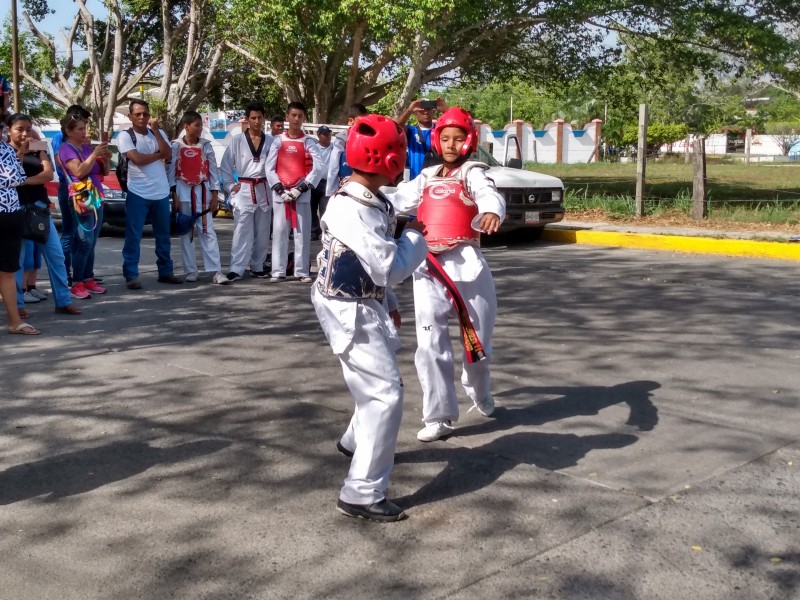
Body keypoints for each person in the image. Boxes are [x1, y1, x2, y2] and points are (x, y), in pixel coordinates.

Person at [311, 114, 428, 522]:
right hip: (347, 309)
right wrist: (416, 238)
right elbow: (388, 265)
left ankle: (352, 440)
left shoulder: (364, 195)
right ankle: (361, 492)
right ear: (392, 159)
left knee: (372, 382)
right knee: (385, 393)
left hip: (358, 301)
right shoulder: (352, 207)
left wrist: (387, 301)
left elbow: (369, 265)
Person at [388, 107, 505, 442]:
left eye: (457, 138)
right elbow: (397, 199)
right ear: (436, 140)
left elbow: (488, 194)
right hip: (428, 267)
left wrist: (491, 211)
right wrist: (361, 191)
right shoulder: (426, 176)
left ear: (468, 140)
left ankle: (477, 386)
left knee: (479, 343)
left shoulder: (473, 172)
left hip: (467, 266)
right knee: (429, 343)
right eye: (444, 138)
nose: (450, 144)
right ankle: (438, 415)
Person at [7, 114, 81, 316]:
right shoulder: (5, 151)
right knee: (18, 261)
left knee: (56, 256)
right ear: (9, 131)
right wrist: (22, 158)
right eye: (19, 129)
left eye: (28, 128)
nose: (25, 133)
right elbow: (12, 175)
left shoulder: (38, 149)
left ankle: (63, 301)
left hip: (39, 209)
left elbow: (48, 174)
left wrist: (24, 181)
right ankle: (18, 305)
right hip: (16, 210)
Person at [118, 99, 182, 289]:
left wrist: (156, 132)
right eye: (137, 114)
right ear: (130, 117)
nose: (142, 117)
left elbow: (168, 153)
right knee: (133, 236)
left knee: (163, 235)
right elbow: (136, 159)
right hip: (138, 192)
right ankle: (131, 275)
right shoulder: (125, 136)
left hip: (161, 193)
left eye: (145, 113)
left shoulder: (158, 132)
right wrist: (158, 155)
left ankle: (165, 271)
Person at [168, 111, 230, 285]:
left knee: (207, 231)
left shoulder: (206, 146)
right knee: (186, 231)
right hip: (183, 192)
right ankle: (190, 270)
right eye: (197, 125)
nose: (200, 128)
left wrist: (214, 194)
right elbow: (171, 171)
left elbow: (212, 171)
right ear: (186, 126)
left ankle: (216, 270)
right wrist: (174, 195)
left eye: (201, 125)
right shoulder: (176, 146)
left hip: (202, 192)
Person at [265, 101, 323, 283]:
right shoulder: (278, 141)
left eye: (300, 116)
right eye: (293, 115)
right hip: (281, 194)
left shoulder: (309, 142)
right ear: (287, 117)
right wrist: (280, 189)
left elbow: (318, 167)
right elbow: (269, 167)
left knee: (302, 233)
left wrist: (301, 188)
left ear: (304, 118)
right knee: (280, 232)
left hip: (302, 194)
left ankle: (301, 270)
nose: (296, 119)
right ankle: (278, 270)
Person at [59, 114, 110, 299]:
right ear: (69, 131)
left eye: (84, 128)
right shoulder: (66, 149)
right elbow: (79, 171)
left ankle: (88, 278)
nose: (84, 132)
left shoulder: (86, 147)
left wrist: (103, 159)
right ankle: (77, 281)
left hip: (96, 197)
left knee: (92, 241)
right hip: (82, 199)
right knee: (84, 242)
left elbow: (103, 172)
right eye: (80, 129)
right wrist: (94, 155)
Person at [220, 102, 272, 281]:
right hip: (244, 188)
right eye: (253, 118)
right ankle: (237, 268)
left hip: (264, 189)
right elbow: (226, 165)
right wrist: (228, 186)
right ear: (247, 119)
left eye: (259, 117)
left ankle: (258, 265)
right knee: (242, 230)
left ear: (263, 118)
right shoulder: (237, 140)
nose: (257, 121)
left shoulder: (271, 141)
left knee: (263, 230)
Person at [0, 133, 39, 334]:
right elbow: (13, 177)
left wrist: (20, 154)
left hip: (10, 214)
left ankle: (15, 322)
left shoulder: (6, 148)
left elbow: (18, 177)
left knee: (7, 270)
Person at [52, 104, 92, 286]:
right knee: (70, 233)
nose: (84, 130)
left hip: (86, 189)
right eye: (81, 125)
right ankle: (65, 273)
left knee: (84, 237)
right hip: (70, 188)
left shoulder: (81, 142)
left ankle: (83, 274)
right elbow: (64, 165)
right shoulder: (62, 140)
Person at [397, 97, 447, 180]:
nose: (425, 112)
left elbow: (457, 126)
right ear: (415, 113)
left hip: (437, 179)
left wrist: (446, 110)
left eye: (428, 109)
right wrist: (409, 110)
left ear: (433, 111)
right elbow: (395, 127)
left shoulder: (440, 130)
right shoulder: (411, 131)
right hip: (416, 180)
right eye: (421, 110)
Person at [325, 103, 368, 198]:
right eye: (361, 122)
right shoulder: (342, 139)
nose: (364, 125)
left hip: (364, 186)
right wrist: (331, 190)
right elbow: (333, 165)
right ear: (350, 121)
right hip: (344, 185)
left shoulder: (369, 138)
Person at [310, 125, 334, 240]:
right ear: (319, 135)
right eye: (325, 134)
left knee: (325, 208)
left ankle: (325, 232)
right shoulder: (313, 148)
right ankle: (314, 231)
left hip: (327, 182)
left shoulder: (334, 148)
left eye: (329, 134)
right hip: (315, 181)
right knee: (312, 207)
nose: (328, 136)